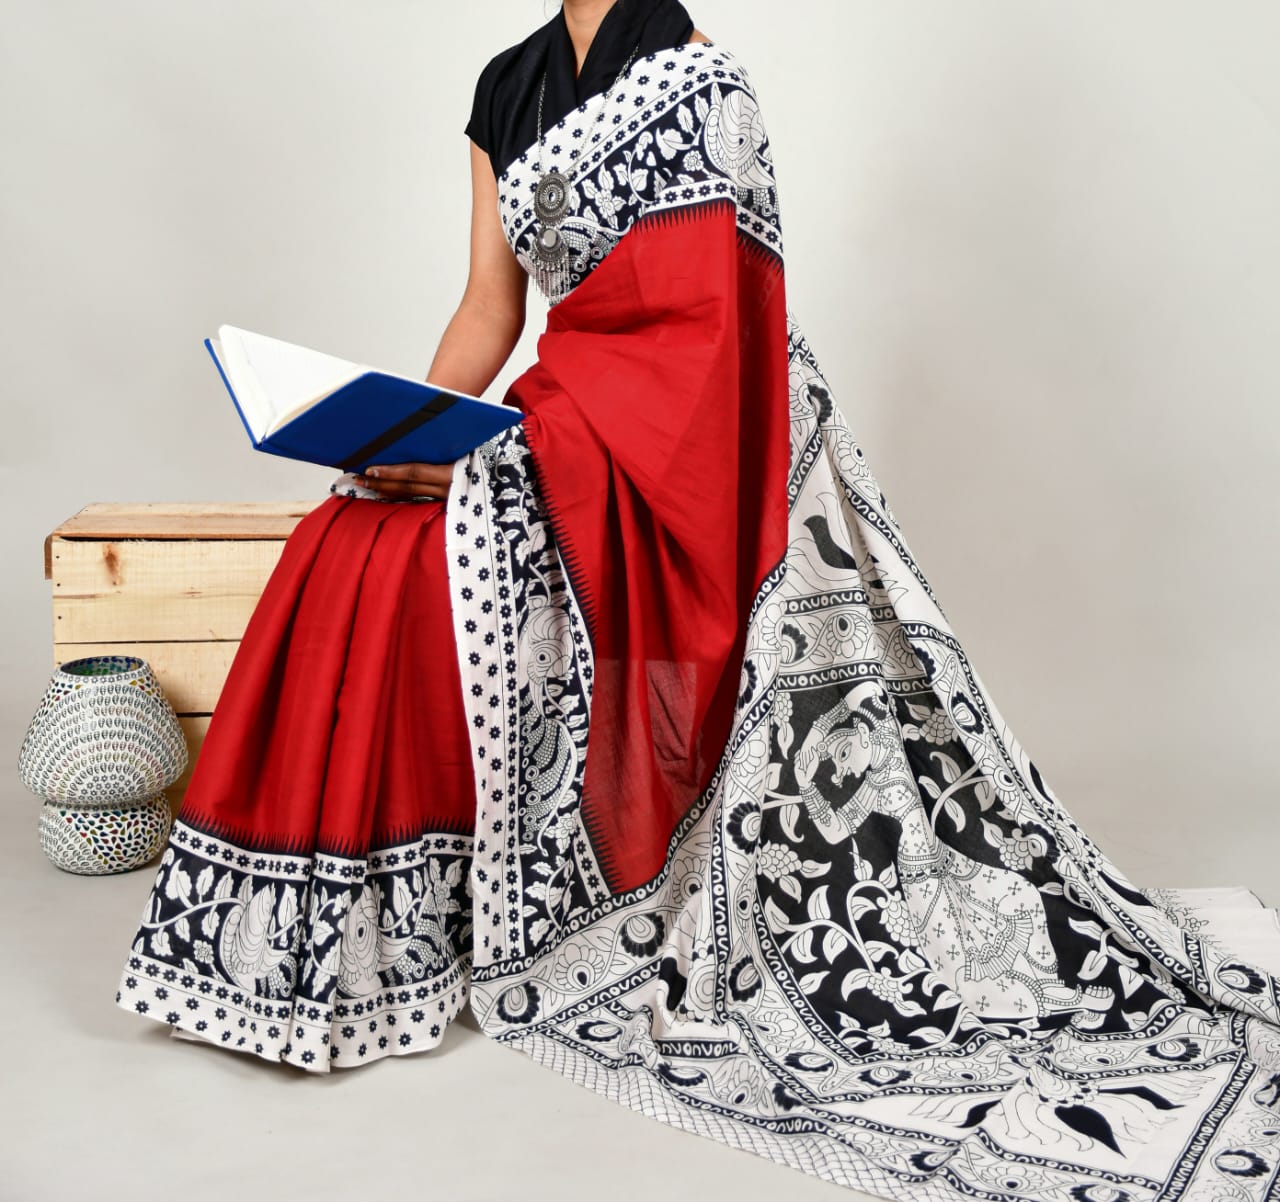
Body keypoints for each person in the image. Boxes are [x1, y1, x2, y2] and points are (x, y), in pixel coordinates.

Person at [116, 2, 1280, 1198]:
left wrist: (510, 452)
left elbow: (712, 335)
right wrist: (403, 429)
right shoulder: (502, 89)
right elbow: (488, 308)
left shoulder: (699, 83)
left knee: (432, 549)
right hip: (554, 423)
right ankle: (351, 945)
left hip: (669, 445)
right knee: (352, 529)